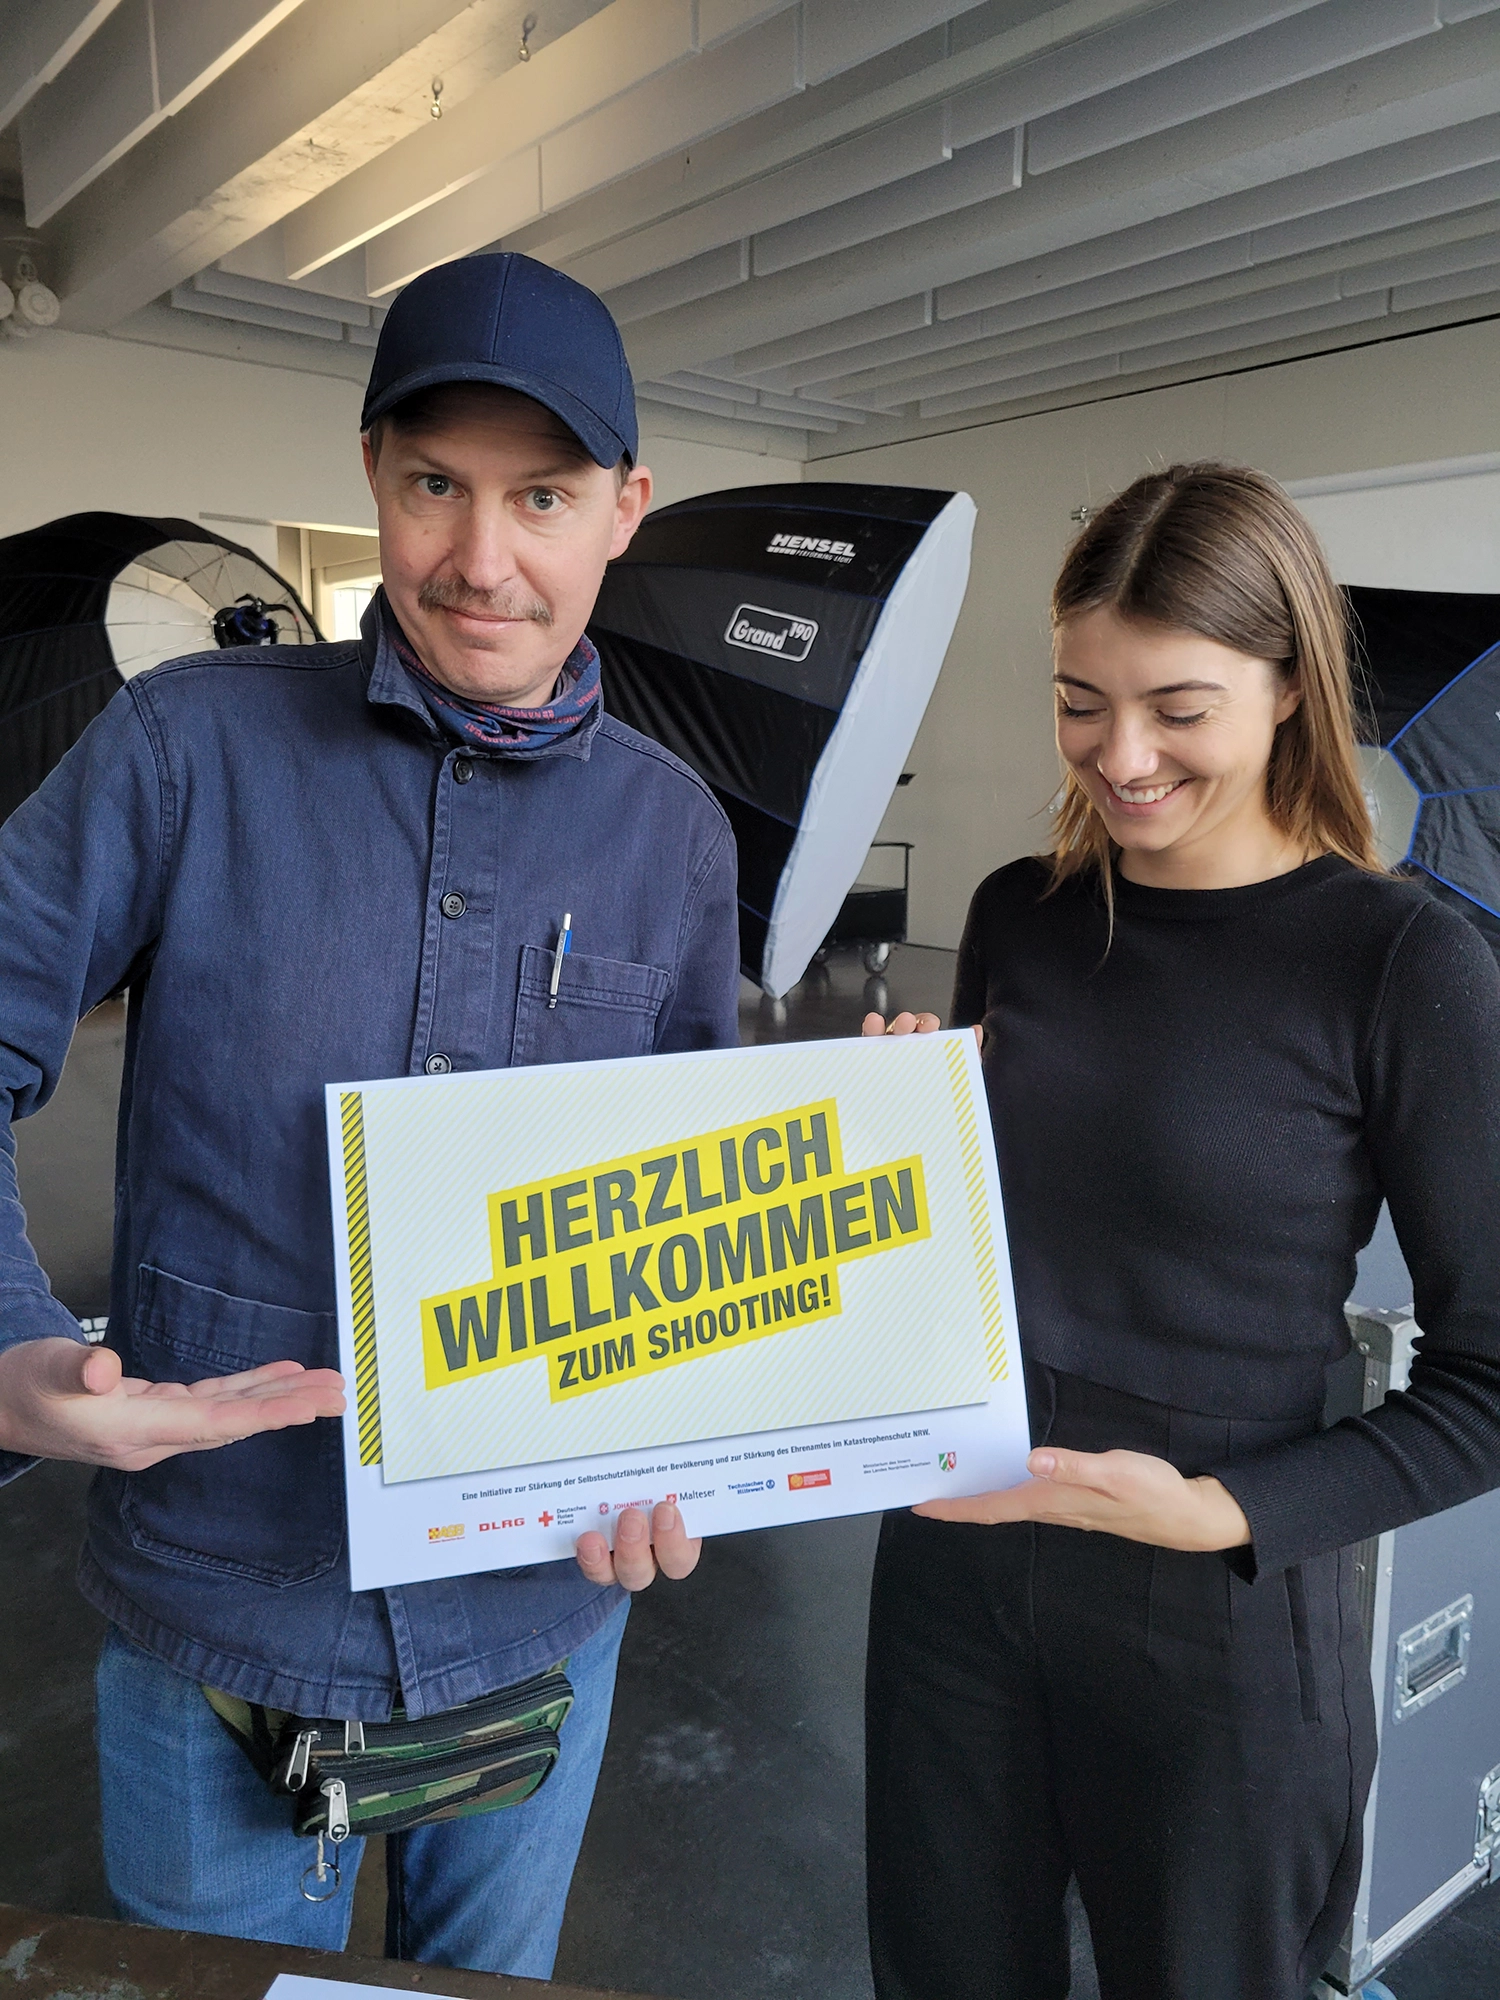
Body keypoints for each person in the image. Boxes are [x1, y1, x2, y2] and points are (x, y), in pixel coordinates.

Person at [0, 252, 738, 1968]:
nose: (484, 562)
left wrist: (688, 1446)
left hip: (544, 1601)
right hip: (220, 1598)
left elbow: (692, 1209)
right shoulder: (186, 753)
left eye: (542, 496)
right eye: (436, 488)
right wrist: (12, 1343)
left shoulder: (674, 836)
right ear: (371, 478)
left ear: (625, 507)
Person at [861, 463, 1500, 2000]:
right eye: (1083, 700)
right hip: (954, 1572)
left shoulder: (1402, 960)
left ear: (1293, 691)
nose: (1120, 757)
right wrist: (880, 1147)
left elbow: (1491, 1389)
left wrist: (1216, 1512)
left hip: (1215, 1615)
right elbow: (978, 1257)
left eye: (1179, 707)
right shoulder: (1020, 909)